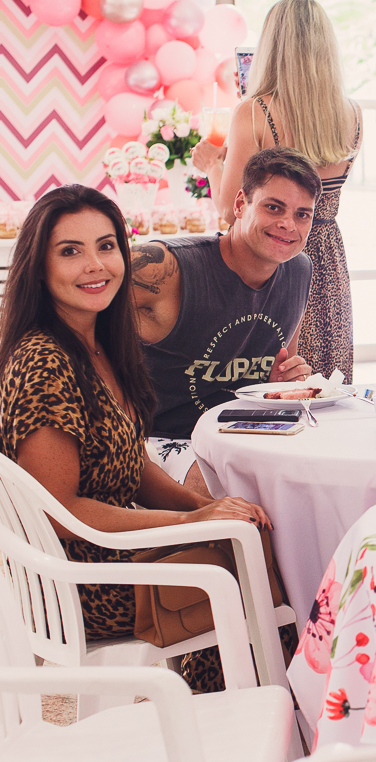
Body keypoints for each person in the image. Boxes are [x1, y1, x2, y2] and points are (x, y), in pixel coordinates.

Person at [0, 185, 275, 692]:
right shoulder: (43, 360)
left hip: (117, 552)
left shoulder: (100, 344)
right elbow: (63, 512)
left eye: (106, 246)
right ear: (38, 267)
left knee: (256, 540)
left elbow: (133, 462)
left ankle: (242, 708)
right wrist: (190, 520)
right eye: (70, 251)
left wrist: (202, 507)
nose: (95, 265)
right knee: (253, 568)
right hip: (81, 580)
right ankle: (242, 715)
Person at [192, 0, 360, 381]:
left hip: (274, 259)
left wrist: (213, 165)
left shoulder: (255, 112)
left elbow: (229, 208)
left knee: (274, 381)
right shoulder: (352, 114)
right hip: (328, 254)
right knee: (326, 382)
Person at [134, 147, 317, 494]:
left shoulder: (299, 269)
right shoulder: (166, 267)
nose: (288, 225)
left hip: (245, 435)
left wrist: (278, 382)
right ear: (239, 204)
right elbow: (73, 304)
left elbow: (279, 368)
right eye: (273, 207)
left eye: (302, 214)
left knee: (319, 479)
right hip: (162, 438)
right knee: (242, 500)